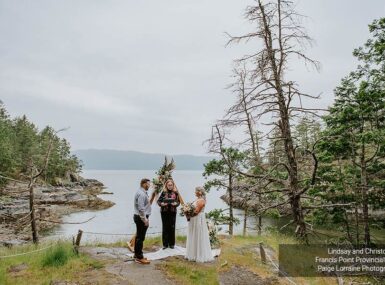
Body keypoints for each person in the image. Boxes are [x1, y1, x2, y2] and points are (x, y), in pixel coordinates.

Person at [185, 186, 214, 263]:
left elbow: (197, 211)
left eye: (196, 191)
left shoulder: (201, 200)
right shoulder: (197, 199)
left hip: (198, 219)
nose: (195, 192)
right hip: (194, 219)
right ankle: (193, 253)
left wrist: (188, 214)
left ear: (200, 192)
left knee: (198, 235)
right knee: (194, 235)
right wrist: (187, 211)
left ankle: (199, 254)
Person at [157, 179, 180, 249]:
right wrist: (162, 204)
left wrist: (175, 204)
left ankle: (172, 244)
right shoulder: (163, 193)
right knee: (165, 227)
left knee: (172, 227)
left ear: (173, 185)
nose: (170, 186)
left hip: (173, 212)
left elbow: (178, 202)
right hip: (164, 212)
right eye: (168, 185)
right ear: (166, 185)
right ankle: (165, 244)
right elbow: (158, 201)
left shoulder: (176, 193)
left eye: (171, 185)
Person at [133, 178, 152, 264]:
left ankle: (136, 254)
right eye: (148, 184)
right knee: (141, 237)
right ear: (144, 184)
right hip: (141, 217)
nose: (149, 185)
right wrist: (145, 219)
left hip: (139, 216)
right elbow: (141, 208)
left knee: (138, 237)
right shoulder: (141, 194)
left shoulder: (141, 192)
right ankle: (139, 257)